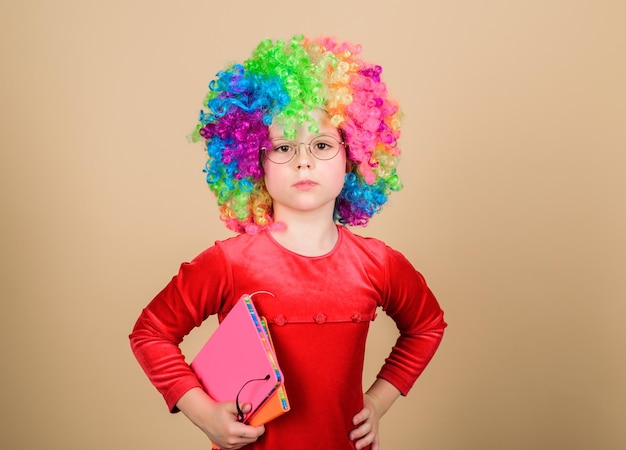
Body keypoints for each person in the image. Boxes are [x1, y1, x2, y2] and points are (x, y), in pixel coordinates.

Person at [130, 34, 447, 450]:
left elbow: (427, 325)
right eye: (282, 146)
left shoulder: (378, 263)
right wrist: (204, 413)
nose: (303, 160)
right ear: (252, 161)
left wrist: (379, 401)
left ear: (352, 156)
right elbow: (150, 333)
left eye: (321, 144)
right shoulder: (229, 262)